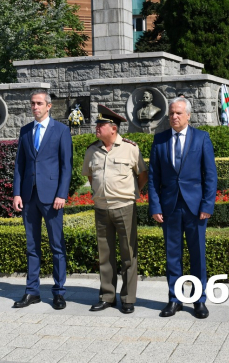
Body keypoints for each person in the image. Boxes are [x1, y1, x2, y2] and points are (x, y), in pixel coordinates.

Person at [147, 96, 217, 319]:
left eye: (178, 113)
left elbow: (210, 175)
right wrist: (155, 206)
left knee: (197, 256)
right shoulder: (160, 140)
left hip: (195, 208)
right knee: (172, 256)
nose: (174, 117)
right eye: (171, 114)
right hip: (169, 208)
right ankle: (175, 299)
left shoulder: (201, 139)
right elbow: (153, 177)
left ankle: (199, 300)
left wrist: (207, 204)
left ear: (188, 115)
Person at [82, 105, 147, 314]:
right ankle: (107, 296)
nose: (96, 128)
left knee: (129, 254)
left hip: (125, 207)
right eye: (97, 124)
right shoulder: (92, 150)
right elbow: (90, 176)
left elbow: (142, 174)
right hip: (101, 208)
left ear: (113, 129)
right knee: (105, 254)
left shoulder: (130, 148)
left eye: (100, 125)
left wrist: (131, 192)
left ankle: (128, 298)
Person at [12, 89, 73, 310]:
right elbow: (20, 164)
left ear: (49, 106)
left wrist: (61, 194)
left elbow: (67, 166)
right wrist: (17, 193)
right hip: (29, 196)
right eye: (32, 104)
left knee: (57, 246)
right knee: (32, 246)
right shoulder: (26, 131)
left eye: (39, 103)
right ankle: (32, 291)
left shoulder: (61, 130)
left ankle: (58, 292)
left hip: (52, 197)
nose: (35, 107)